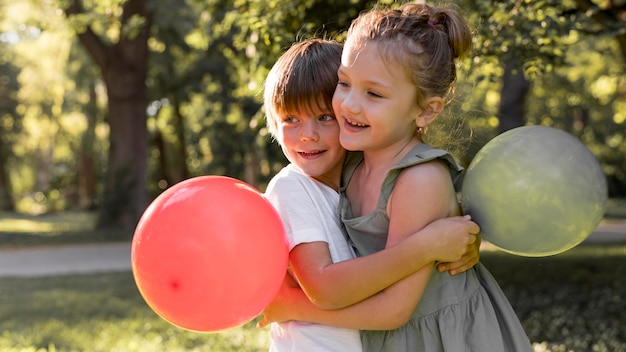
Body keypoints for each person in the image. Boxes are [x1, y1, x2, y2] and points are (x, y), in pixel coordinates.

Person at [330, 3, 533, 351]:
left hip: (441, 338)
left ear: (426, 110)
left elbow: (393, 310)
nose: (348, 104)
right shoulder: (348, 163)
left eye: (373, 93)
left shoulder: (419, 179)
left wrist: (292, 308)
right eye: (344, 82)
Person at [260, 38, 481, 352]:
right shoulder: (292, 188)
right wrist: (427, 246)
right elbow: (323, 286)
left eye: (324, 117)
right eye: (290, 119)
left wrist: (463, 237)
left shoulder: (357, 178)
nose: (307, 134)